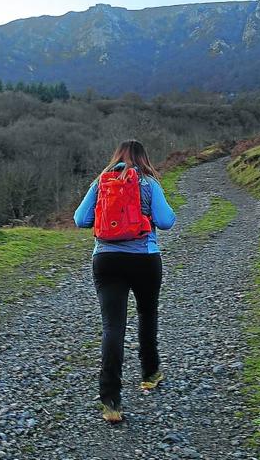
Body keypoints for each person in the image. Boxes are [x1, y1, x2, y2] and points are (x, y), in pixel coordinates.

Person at [73, 140, 176, 423]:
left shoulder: (101, 182)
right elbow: (166, 222)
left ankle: (111, 402)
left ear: (117, 156)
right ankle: (150, 374)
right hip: (145, 258)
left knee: (112, 327)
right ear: (144, 158)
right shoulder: (149, 183)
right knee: (147, 313)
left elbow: (80, 219)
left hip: (106, 260)